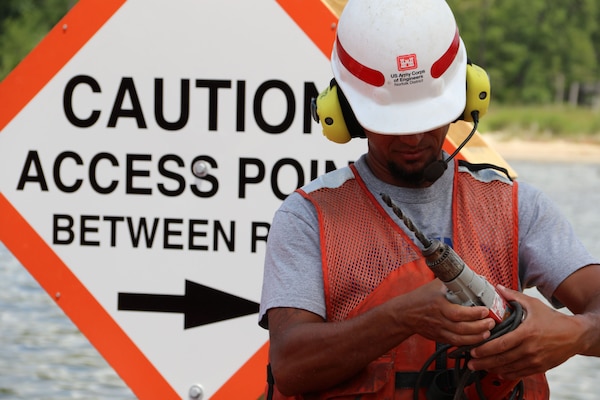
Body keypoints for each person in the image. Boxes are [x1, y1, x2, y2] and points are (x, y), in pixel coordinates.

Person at [258, 0, 600, 398]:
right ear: (345, 110)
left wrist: (579, 333)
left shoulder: (514, 207)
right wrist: (402, 317)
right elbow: (291, 367)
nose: (412, 139)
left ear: (467, 96)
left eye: (425, 120)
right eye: (391, 125)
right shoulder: (308, 217)